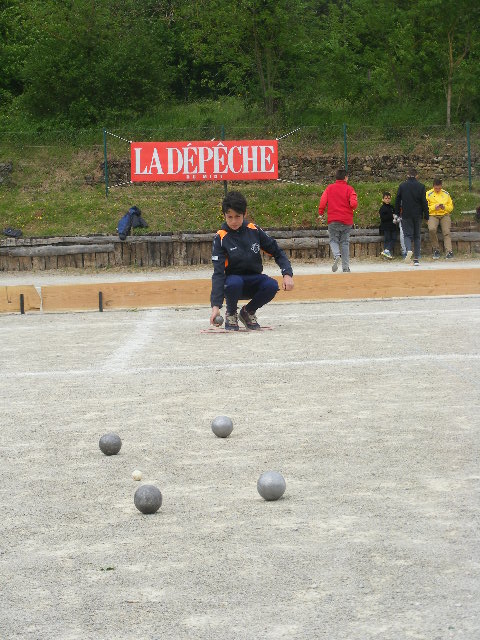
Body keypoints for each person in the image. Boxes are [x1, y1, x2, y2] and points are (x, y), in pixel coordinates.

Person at [209, 191, 294, 331]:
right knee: (234, 282)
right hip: (231, 284)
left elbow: (277, 252)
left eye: (238, 216)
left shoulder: (254, 230)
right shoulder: (220, 237)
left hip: (253, 280)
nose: (234, 221)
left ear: (245, 213)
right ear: (224, 215)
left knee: (272, 285)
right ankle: (231, 313)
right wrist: (215, 307)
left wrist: (287, 273)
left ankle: (248, 311)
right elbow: (218, 274)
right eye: (229, 217)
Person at [317, 168, 358, 272]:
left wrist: (321, 213)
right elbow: (353, 204)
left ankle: (336, 255)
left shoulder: (329, 188)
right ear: (345, 178)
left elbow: (322, 201)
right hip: (347, 220)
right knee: (345, 242)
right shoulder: (350, 189)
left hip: (333, 220)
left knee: (333, 240)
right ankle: (346, 267)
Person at [394, 168, 429, 266]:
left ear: (407, 175)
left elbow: (397, 200)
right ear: (416, 176)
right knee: (417, 235)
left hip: (406, 214)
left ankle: (409, 250)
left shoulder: (402, 186)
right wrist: (426, 215)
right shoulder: (421, 186)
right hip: (417, 214)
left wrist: (397, 213)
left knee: (407, 235)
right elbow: (424, 202)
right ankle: (416, 258)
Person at [426, 178, 454, 259]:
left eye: (439, 188)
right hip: (433, 215)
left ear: (441, 186)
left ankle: (449, 251)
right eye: (436, 188)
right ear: (433, 186)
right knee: (431, 229)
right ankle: (436, 250)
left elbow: (451, 207)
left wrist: (444, 207)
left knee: (446, 232)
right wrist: (434, 207)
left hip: (444, 214)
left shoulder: (446, 194)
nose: (437, 190)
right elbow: (425, 208)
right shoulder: (428, 194)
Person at [379, 191, 397, 259]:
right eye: (386, 198)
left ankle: (386, 251)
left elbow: (395, 214)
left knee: (394, 239)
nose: (387, 199)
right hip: (386, 227)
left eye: (389, 198)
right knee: (387, 240)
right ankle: (386, 255)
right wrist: (391, 215)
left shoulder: (392, 207)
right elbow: (383, 218)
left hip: (393, 226)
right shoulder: (382, 208)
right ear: (383, 199)